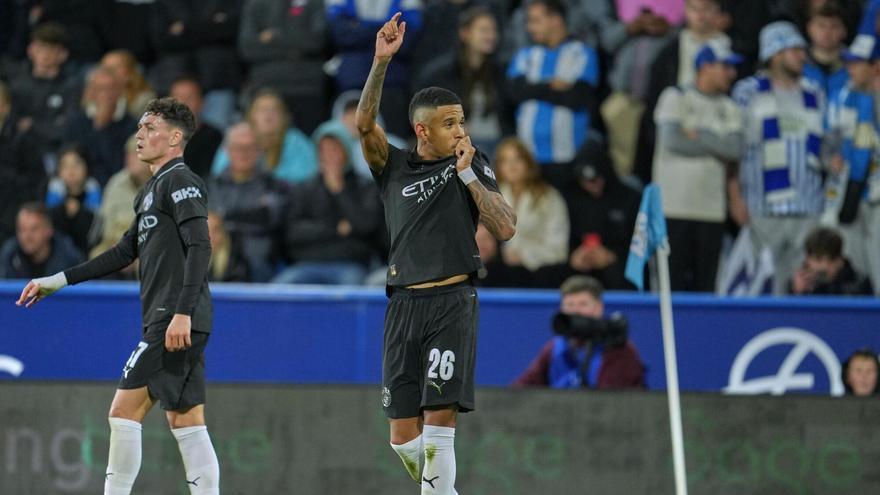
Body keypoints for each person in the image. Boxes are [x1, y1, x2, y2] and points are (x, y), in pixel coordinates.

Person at [15, 97, 220, 495]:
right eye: (140, 126)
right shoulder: (150, 190)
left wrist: (182, 312)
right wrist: (58, 280)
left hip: (173, 318)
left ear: (175, 138)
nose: (139, 134)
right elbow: (124, 252)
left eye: (150, 128)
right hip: (176, 318)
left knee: (123, 411)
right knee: (186, 420)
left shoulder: (181, 180)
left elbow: (201, 245)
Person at [357, 13, 516, 493]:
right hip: (403, 304)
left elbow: (505, 227)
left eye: (462, 121)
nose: (461, 130)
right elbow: (364, 125)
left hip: (451, 302)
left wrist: (468, 176)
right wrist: (380, 63)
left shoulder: (471, 164)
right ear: (422, 131)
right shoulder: (394, 167)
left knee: (438, 423)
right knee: (403, 437)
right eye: (450, 123)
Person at [732, 21, 826, 294]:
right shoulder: (748, 92)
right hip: (763, 207)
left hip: (808, 205)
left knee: (803, 285)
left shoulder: (814, 92)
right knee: (761, 283)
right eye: (795, 50)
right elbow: (736, 149)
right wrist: (735, 197)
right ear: (774, 54)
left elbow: (824, 146)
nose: (802, 56)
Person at [652, 40, 744, 292]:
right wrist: (716, 143)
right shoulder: (675, 97)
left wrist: (699, 134)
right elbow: (673, 141)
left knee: (706, 285)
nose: (732, 73)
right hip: (673, 207)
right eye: (725, 67)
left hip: (712, 209)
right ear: (705, 67)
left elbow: (735, 149)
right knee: (671, 284)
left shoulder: (730, 107)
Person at [505, 0, 600, 190]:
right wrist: (552, 85)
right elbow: (515, 93)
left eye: (535, 21)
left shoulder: (581, 54)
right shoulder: (525, 55)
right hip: (527, 158)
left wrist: (533, 88)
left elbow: (576, 98)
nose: (529, 27)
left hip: (567, 158)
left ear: (556, 20)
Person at [274, 121, 381, 285]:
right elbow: (293, 233)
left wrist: (339, 191)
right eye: (324, 149)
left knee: (351, 289)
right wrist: (335, 228)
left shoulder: (365, 186)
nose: (329, 155)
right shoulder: (305, 188)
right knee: (279, 288)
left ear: (346, 151)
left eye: (335, 149)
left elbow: (366, 226)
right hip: (307, 264)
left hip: (350, 264)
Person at [513, 275, 645, 388]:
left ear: (599, 308)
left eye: (583, 304)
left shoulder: (618, 349)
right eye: (569, 305)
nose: (575, 311)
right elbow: (522, 388)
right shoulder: (554, 348)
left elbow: (618, 400)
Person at [825, 33, 880, 295]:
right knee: (854, 270)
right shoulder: (842, 96)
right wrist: (830, 158)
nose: (850, 68)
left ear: (876, 66)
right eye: (849, 62)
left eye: (857, 63)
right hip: (848, 195)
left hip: (877, 197)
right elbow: (828, 142)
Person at [415, 6, 511, 152]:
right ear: (465, 33)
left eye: (493, 30)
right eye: (484, 30)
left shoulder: (501, 70)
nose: (491, 36)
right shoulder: (442, 73)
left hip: (498, 145)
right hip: (458, 145)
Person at [208, 122, 289, 282]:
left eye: (250, 147)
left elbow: (267, 218)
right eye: (238, 147)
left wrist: (223, 219)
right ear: (227, 150)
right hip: (216, 255)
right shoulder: (210, 185)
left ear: (259, 150)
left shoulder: (275, 185)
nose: (243, 153)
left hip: (258, 259)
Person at [491, 137, 570, 287]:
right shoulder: (490, 197)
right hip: (499, 272)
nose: (512, 166)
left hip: (540, 273)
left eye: (517, 159)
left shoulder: (550, 198)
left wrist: (524, 255)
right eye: (505, 160)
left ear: (528, 163)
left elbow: (559, 250)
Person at [211, 88, 317, 184]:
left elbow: (309, 178)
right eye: (262, 109)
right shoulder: (237, 137)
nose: (268, 114)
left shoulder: (297, 142)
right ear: (251, 116)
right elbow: (219, 174)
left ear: (284, 117)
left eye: (274, 110)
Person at [65, 66, 138, 186]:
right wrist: (98, 126)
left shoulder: (132, 125)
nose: (105, 95)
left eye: (111, 89)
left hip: (118, 187)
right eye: (99, 89)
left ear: (120, 91)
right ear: (90, 92)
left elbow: (120, 166)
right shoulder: (75, 123)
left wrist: (103, 127)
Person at [0, 202, 83, 279]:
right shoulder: (9, 254)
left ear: (49, 230)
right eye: (22, 229)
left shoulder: (69, 257)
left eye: (34, 229)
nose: (27, 236)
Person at [45, 143, 102, 255]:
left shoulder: (95, 191)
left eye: (77, 164)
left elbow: (95, 235)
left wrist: (80, 213)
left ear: (87, 167)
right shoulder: (50, 191)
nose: (71, 171)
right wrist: (61, 210)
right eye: (65, 166)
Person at [788, 226, 873, 295]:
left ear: (840, 260)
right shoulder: (798, 283)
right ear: (808, 259)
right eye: (818, 259)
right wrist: (797, 293)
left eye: (830, 260)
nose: (824, 265)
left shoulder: (860, 283)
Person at [169, 76, 223, 181]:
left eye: (189, 98)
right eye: (178, 99)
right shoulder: (158, 137)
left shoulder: (215, 137)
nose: (183, 104)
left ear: (201, 102)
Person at [100, 49, 157, 119]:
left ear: (129, 70)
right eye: (105, 69)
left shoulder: (144, 98)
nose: (107, 74)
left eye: (112, 69)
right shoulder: (96, 96)